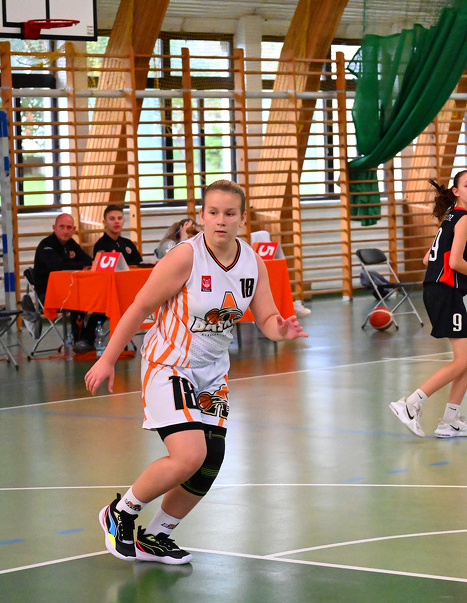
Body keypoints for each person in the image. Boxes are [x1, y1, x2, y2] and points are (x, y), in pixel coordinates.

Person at [85, 179, 308, 564]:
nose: (221, 220)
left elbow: (267, 317)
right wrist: (107, 358)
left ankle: (155, 536)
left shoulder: (252, 262)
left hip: (212, 372)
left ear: (242, 218)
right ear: (202, 216)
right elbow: (139, 307)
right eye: (213, 212)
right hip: (169, 364)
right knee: (189, 455)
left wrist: (281, 331)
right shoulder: (185, 257)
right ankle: (120, 512)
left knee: (209, 460)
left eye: (230, 213)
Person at [390, 170, 467, 439]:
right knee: (463, 359)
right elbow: (455, 262)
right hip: (445, 292)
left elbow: (427, 259)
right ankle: (411, 404)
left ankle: (450, 421)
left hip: (439, 291)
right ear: (456, 191)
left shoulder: (450, 217)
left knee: (466, 359)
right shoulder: (464, 218)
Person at [73, 204, 144, 353]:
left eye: (119, 218)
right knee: (106, 305)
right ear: (104, 222)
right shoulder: (101, 245)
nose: (116, 221)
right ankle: (87, 338)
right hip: (109, 291)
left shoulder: (127, 244)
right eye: (112, 219)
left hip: (130, 290)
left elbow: (138, 263)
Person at [33, 213, 93, 344]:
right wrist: (79, 265)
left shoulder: (71, 244)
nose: (65, 231)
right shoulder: (46, 245)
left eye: (69, 227)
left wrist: (79, 264)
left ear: (74, 229)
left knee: (96, 299)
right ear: (54, 227)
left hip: (70, 290)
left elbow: (89, 261)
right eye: (62, 227)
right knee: (77, 301)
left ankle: (86, 338)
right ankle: (80, 341)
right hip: (49, 293)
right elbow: (58, 266)